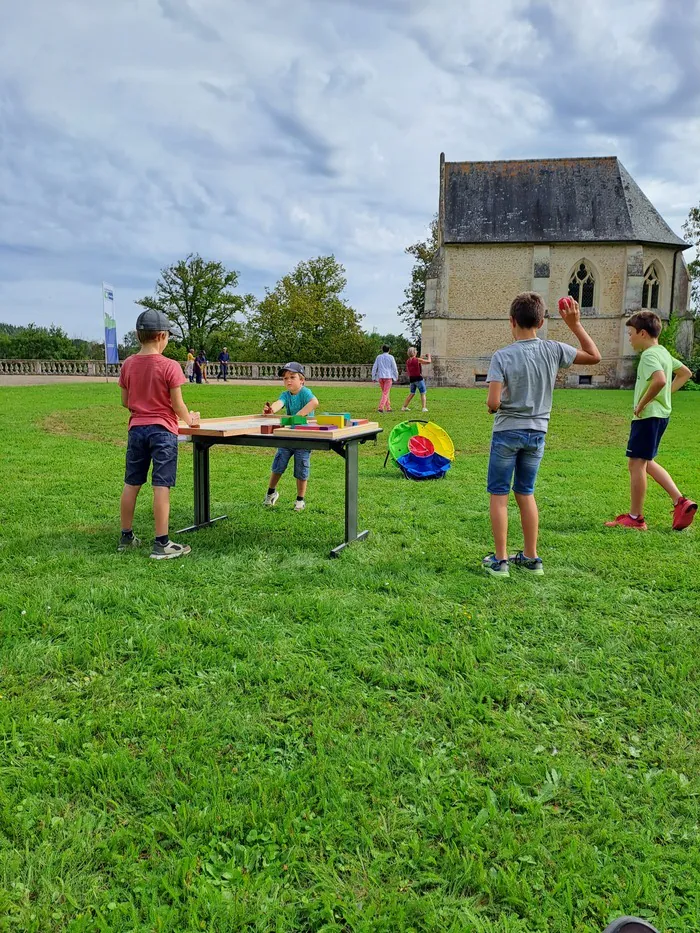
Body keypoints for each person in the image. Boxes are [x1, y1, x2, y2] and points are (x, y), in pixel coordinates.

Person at [482, 292, 601, 578]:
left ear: (512, 321)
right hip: (537, 433)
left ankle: (500, 561)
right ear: (541, 320)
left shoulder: (502, 356)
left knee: (499, 495)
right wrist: (575, 325)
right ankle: (532, 558)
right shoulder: (554, 349)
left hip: (507, 432)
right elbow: (595, 357)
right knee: (526, 493)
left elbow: (493, 403)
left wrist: (498, 405)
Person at [117, 309, 200, 559]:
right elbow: (177, 404)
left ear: (137, 335)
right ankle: (162, 543)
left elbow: (125, 401)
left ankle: (126, 536)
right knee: (161, 486)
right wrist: (190, 419)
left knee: (132, 483)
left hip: (136, 429)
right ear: (162, 336)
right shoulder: (170, 366)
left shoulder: (128, 364)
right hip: (163, 431)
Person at [605, 310, 696, 531]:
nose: (629, 337)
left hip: (647, 417)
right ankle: (680, 501)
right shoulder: (662, 352)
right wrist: (664, 397)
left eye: (631, 333)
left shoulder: (648, 355)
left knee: (635, 464)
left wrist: (642, 404)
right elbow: (685, 373)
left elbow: (660, 380)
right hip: (660, 416)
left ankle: (635, 519)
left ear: (643, 333)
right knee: (646, 462)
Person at [262, 362, 318, 511]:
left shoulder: (305, 392)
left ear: (302, 380)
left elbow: (314, 402)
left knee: (301, 467)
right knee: (278, 465)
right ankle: (271, 493)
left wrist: (298, 416)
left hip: (304, 438)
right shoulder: (285, 395)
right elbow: (279, 403)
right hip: (287, 436)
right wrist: (271, 410)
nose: (288, 381)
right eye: (285, 378)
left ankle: (300, 500)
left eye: (292, 377)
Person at [401, 347, 432, 412]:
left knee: (412, 393)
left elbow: (416, 363)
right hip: (418, 378)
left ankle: (404, 407)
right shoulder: (417, 360)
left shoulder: (408, 361)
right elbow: (429, 362)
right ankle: (424, 408)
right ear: (414, 352)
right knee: (423, 393)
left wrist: (421, 357)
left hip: (412, 379)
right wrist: (429, 356)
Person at [371, 343, 399, 412]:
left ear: (382, 350)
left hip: (380, 376)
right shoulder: (391, 357)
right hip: (388, 376)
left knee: (385, 392)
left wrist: (373, 377)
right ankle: (381, 407)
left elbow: (374, 367)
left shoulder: (379, 357)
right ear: (389, 350)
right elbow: (394, 368)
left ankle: (388, 407)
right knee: (385, 392)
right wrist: (396, 376)